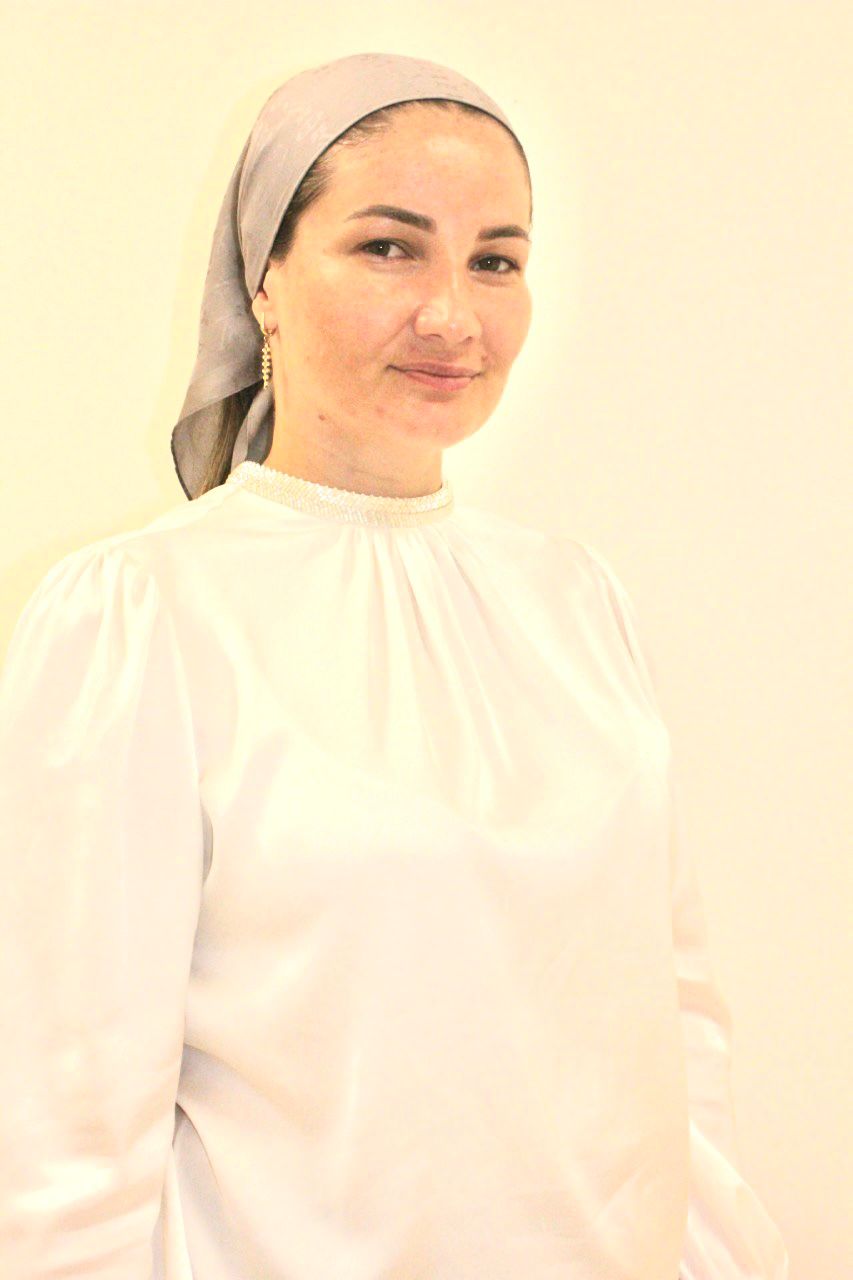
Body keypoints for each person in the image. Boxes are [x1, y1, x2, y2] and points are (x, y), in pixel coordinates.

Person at [0, 51, 789, 1280]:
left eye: (495, 260)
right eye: (388, 247)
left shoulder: (575, 601)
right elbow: (65, 1126)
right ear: (264, 279)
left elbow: (673, 1035)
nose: (451, 316)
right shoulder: (143, 615)